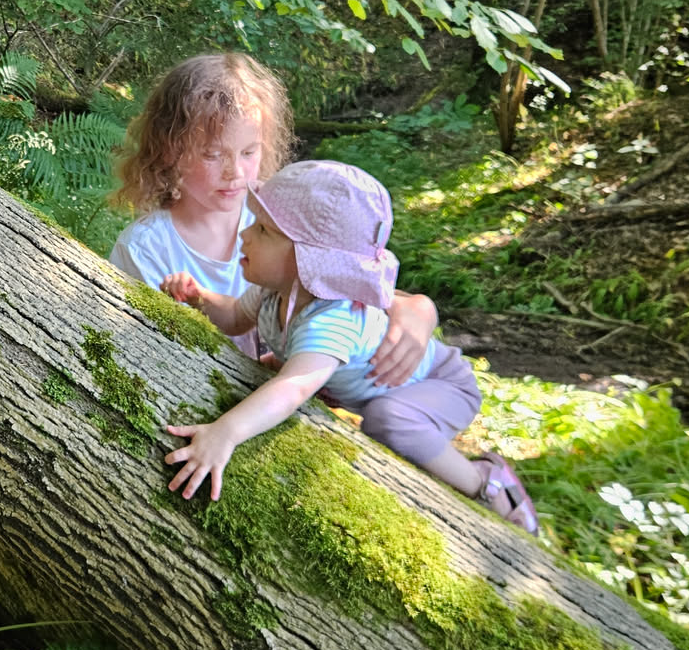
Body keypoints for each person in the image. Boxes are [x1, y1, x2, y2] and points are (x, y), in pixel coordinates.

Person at [157, 159, 538, 534]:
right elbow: (234, 317)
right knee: (382, 417)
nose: (245, 235)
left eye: (263, 230)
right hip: (397, 390)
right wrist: (199, 297)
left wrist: (226, 433)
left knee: (389, 421)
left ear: (310, 258)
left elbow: (293, 388)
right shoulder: (275, 293)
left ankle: (486, 485)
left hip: (443, 383)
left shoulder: (331, 316)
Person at [106, 51, 437, 377]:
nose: (235, 172)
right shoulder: (145, 250)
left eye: (249, 152)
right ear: (169, 150)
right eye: (213, 154)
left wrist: (417, 308)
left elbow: (344, 287)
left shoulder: (283, 222)